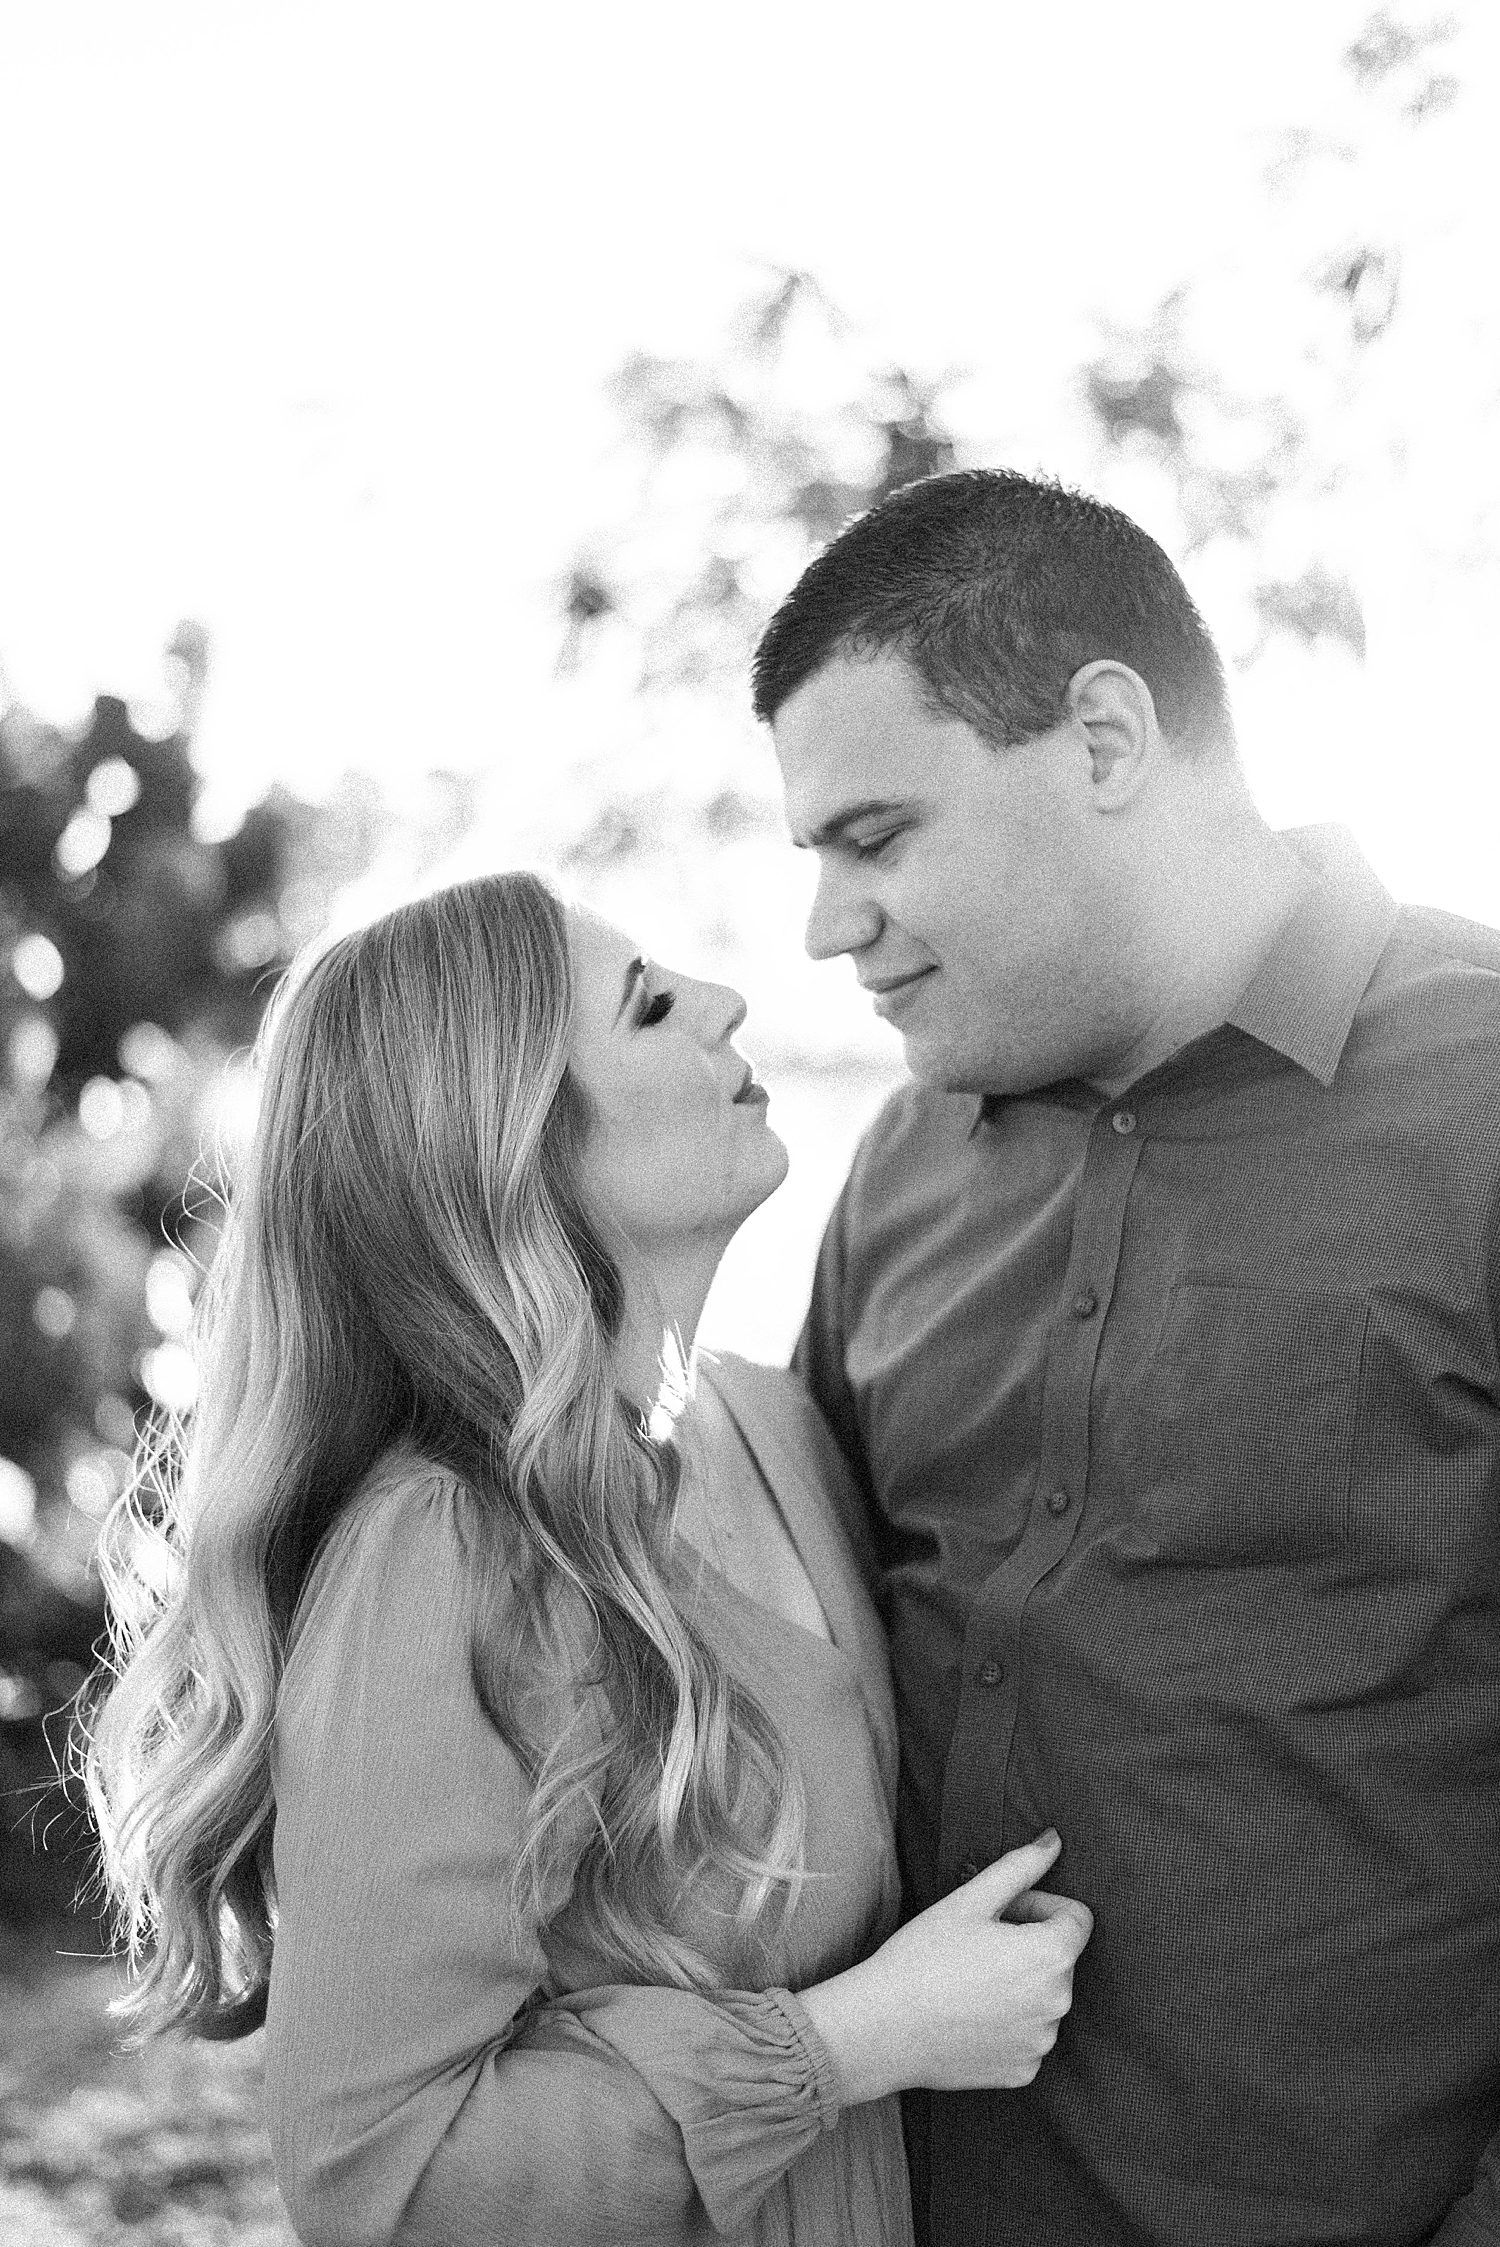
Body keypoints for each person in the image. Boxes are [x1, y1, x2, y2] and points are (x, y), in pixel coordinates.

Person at [82, 870, 1092, 2247]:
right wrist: (849, 2043)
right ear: (516, 1143)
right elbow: (389, 2177)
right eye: (653, 1006)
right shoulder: (438, 1555)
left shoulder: (774, 1422)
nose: (732, 1001)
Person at [751, 467, 1500, 2247]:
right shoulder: (903, 1172)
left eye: (877, 836)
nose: (825, 927)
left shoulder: (1484, 1102)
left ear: (1102, 739)